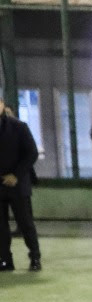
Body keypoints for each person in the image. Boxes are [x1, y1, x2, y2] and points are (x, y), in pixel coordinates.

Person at [0, 106, 42, 272]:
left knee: (25, 223)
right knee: (0, 227)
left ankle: (35, 258)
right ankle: (5, 260)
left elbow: (32, 153)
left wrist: (16, 175)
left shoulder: (19, 127)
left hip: (17, 184)